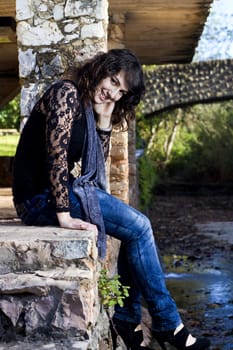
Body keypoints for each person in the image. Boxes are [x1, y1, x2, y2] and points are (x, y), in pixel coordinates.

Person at [13, 48, 210, 350]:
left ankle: (128, 321)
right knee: (140, 226)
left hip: (61, 193)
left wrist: (104, 120)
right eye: (114, 81)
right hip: (39, 199)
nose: (114, 93)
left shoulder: (90, 109)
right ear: (101, 69)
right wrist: (64, 216)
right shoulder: (65, 93)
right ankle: (168, 324)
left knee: (134, 231)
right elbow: (56, 156)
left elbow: (95, 171)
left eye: (121, 91)